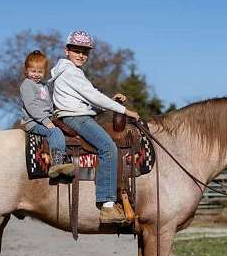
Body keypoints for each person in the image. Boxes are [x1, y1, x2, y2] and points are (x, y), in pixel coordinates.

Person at [49, 30, 140, 224]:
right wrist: (124, 110)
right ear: (67, 51)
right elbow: (93, 96)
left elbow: (88, 99)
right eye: (76, 50)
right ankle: (107, 205)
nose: (81, 55)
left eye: (85, 51)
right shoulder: (70, 71)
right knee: (108, 148)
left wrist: (109, 101)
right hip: (77, 119)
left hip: (75, 116)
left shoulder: (67, 71)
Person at [20, 50, 74, 178]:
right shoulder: (27, 85)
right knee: (54, 132)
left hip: (44, 118)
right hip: (33, 122)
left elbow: (49, 105)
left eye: (40, 72)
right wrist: (46, 121)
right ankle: (57, 162)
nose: (36, 75)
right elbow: (31, 107)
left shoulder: (43, 86)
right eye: (33, 71)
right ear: (26, 70)